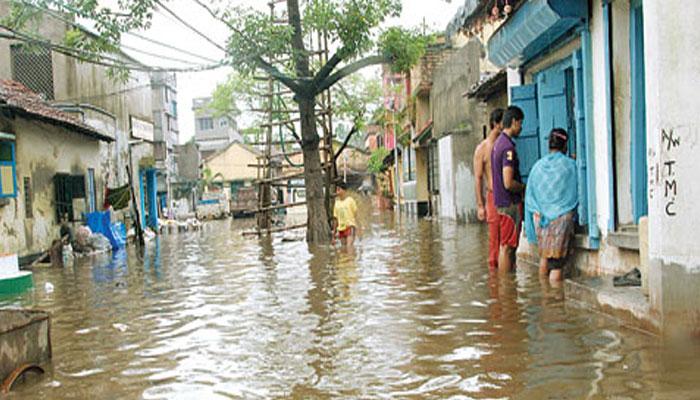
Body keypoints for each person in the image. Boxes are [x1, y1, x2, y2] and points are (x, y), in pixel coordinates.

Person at [524, 128, 578, 283]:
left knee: (544, 257)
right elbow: (576, 189)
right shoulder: (570, 165)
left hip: (540, 218)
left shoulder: (537, 167)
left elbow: (530, 197)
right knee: (556, 265)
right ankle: (554, 301)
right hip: (560, 219)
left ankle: (543, 293)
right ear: (565, 145)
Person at [491, 106, 526, 273]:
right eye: (520, 123)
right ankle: (506, 289)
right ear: (513, 122)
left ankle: (507, 289)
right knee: (507, 246)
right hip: (510, 203)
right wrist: (524, 188)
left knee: (505, 245)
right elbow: (508, 182)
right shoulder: (507, 148)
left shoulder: (498, 144)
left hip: (501, 202)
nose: (521, 127)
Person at [474, 108, 504, 269]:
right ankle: (495, 284)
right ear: (496, 124)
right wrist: (480, 205)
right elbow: (478, 178)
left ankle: (505, 283)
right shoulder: (482, 149)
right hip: (493, 197)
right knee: (494, 241)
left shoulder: (505, 145)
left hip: (507, 198)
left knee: (507, 242)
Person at [332, 182, 358, 246]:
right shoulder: (336, 203)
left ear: (344, 190)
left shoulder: (350, 200)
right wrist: (333, 235)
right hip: (341, 229)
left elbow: (355, 215)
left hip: (350, 227)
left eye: (339, 189)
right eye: (336, 190)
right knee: (343, 249)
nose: (337, 191)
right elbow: (336, 219)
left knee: (349, 247)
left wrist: (359, 229)